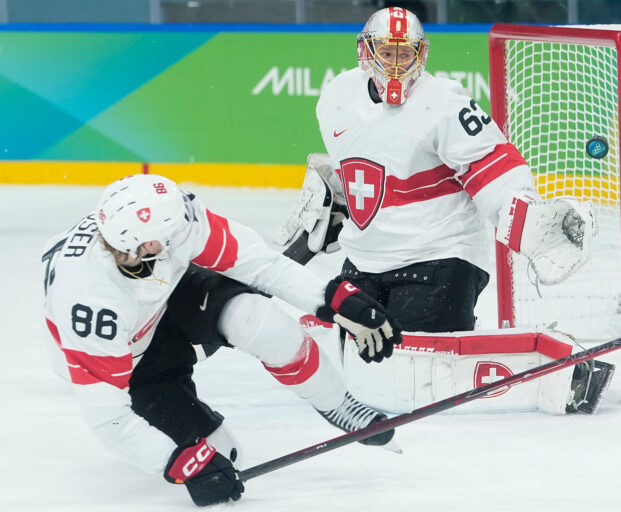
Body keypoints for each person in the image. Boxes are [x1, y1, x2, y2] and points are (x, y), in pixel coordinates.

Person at [275, 6, 613, 414]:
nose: (397, 65)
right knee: (356, 369)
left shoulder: (445, 102)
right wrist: (333, 200)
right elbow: (357, 169)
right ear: (365, 51)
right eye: (387, 52)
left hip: (439, 259)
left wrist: (527, 218)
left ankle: (552, 369)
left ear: (422, 54)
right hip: (366, 260)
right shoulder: (335, 98)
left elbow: (491, 165)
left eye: (406, 54)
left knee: (425, 380)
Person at [40, 174, 402, 507]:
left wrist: (333, 296)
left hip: (165, 296)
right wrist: (178, 463)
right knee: (223, 459)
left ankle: (339, 403)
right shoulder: (91, 302)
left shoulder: (165, 222)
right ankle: (194, 352)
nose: (189, 221)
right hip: (134, 359)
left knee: (259, 321)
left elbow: (259, 265)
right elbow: (109, 419)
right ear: (149, 244)